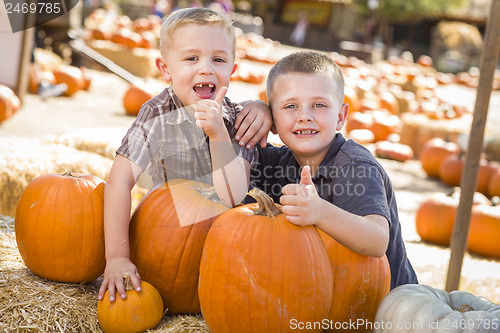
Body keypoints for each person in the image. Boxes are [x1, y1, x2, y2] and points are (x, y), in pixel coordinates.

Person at [98, 7, 273, 302]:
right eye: (192, 58)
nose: (206, 68)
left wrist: (218, 134)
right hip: (167, 240)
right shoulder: (155, 114)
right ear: (166, 68)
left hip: (227, 249)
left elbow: (232, 196)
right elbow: (119, 182)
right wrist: (116, 257)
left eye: (218, 59)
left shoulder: (239, 121)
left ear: (232, 69)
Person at [248, 51, 418, 289]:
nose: (304, 116)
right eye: (290, 106)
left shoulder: (355, 165)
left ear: (340, 117)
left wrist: (319, 212)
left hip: (384, 308)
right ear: (273, 121)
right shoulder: (275, 162)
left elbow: (377, 240)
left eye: (319, 105)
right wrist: (254, 108)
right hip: (321, 298)